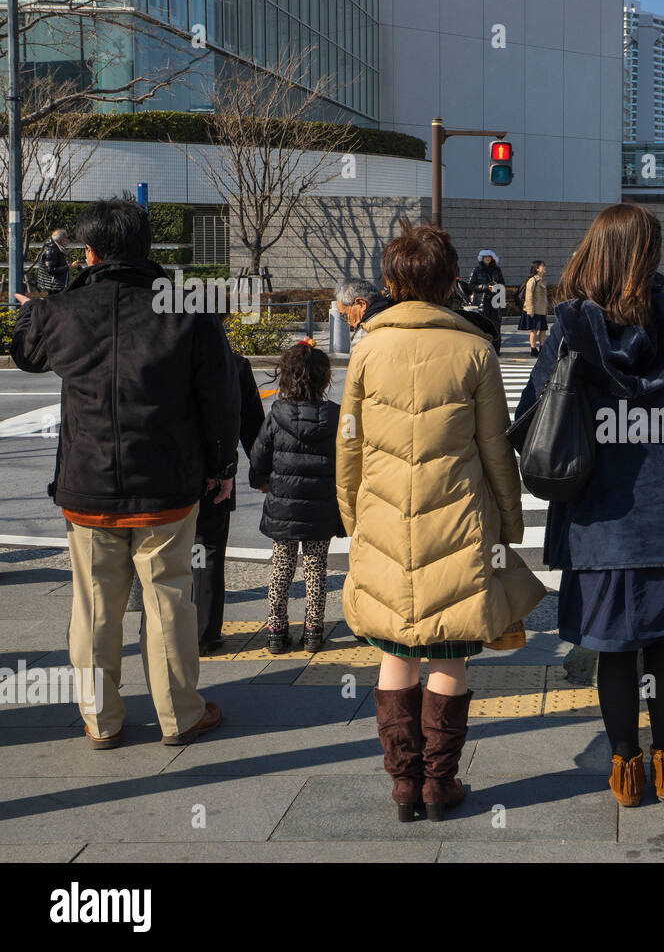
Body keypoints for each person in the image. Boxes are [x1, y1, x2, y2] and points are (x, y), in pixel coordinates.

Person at [516, 204, 664, 808]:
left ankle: (625, 770)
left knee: (613, 645)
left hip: (596, 513)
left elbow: (531, 414)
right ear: (650, 254)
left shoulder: (571, 325)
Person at [9, 197, 237, 748]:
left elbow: (24, 354)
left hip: (87, 488)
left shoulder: (62, 311)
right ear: (145, 248)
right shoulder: (186, 310)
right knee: (168, 602)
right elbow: (220, 398)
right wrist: (222, 465)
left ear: (88, 252)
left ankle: (101, 719)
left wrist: (33, 307)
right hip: (167, 485)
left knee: (93, 606)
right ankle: (179, 714)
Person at [337, 221, 544, 822]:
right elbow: (494, 448)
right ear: (453, 281)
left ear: (390, 281)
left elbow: (348, 443)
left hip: (380, 518)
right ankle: (439, 784)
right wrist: (509, 522)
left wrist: (353, 516)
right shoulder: (475, 349)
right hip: (457, 524)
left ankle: (403, 785)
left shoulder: (368, 346)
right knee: (449, 652)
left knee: (395, 648)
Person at [248, 339, 345, 655]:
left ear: (287, 377)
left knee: (282, 566)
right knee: (317, 566)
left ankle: (276, 631)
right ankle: (314, 631)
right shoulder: (335, 416)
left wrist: (261, 482)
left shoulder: (277, 414)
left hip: (283, 505)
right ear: (325, 378)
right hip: (321, 507)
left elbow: (259, 458)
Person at [195, 341, 266, 655]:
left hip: (167, 475)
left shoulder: (168, 359)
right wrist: (262, 472)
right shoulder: (235, 365)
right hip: (216, 473)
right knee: (208, 549)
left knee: (164, 553)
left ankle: (163, 630)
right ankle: (204, 632)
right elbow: (252, 426)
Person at [336, 276, 390, 343]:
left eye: (346, 316)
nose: (349, 323)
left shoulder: (364, 335)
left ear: (361, 304)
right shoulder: (394, 316)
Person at [517, 259, 549, 357]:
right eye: (542, 266)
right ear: (537, 268)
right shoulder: (532, 280)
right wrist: (530, 310)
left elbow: (544, 297)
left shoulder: (542, 279)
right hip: (534, 309)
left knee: (543, 329)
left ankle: (542, 348)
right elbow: (529, 296)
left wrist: (546, 309)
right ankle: (533, 349)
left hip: (542, 309)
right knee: (534, 330)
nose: (544, 267)